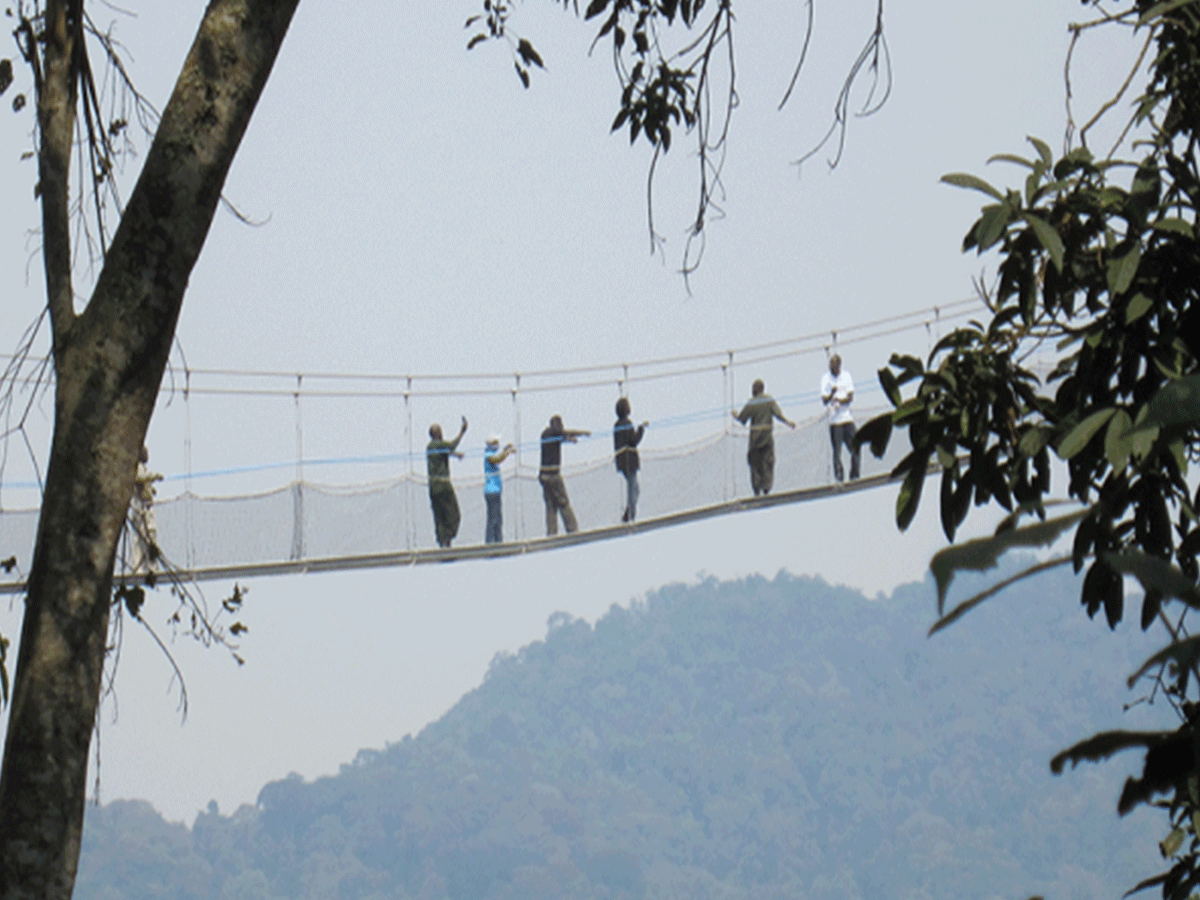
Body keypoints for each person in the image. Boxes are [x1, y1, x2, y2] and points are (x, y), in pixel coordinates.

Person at [732, 379, 795, 496]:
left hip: (755, 442)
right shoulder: (769, 401)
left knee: (755, 466)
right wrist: (788, 422)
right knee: (768, 463)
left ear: (756, 389)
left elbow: (742, 419)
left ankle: (757, 489)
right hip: (767, 439)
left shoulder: (752, 403)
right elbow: (778, 415)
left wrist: (735, 415)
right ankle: (766, 488)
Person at [539, 414, 590, 535]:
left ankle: (551, 533)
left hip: (544, 476)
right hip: (553, 475)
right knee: (563, 503)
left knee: (551, 506)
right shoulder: (552, 433)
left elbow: (560, 436)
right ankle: (573, 530)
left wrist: (569, 439)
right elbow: (561, 433)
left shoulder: (546, 434)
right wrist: (581, 433)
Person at [426, 417, 468, 547]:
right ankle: (448, 536)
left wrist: (455, 454)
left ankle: (443, 541)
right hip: (443, 486)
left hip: (433, 488)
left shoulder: (429, 447)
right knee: (454, 514)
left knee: (439, 517)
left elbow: (444, 451)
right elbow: (450, 445)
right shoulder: (439, 444)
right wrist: (462, 432)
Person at [821, 353, 860, 482]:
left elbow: (850, 397)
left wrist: (840, 400)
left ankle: (854, 474)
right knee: (837, 452)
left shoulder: (846, 376)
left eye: (835, 366)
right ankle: (839, 476)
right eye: (831, 366)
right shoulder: (826, 379)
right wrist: (832, 394)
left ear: (839, 366)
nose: (832, 369)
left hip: (847, 418)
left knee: (856, 447)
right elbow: (824, 400)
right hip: (834, 422)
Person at [613, 397, 648, 523]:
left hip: (622, 462)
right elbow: (633, 441)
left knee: (635, 489)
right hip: (630, 462)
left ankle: (628, 514)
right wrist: (641, 430)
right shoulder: (627, 424)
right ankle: (631, 517)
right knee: (633, 489)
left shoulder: (616, 425)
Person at [130, 445, 162, 575]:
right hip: (142, 508)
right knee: (146, 535)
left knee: (144, 536)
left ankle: (146, 566)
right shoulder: (137, 467)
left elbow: (142, 482)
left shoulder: (142, 468)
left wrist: (151, 488)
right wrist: (154, 476)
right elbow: (140, 478)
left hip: (144, 506)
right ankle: (144, 567)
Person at [483, 434, 515, 544]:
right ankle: (490, 542)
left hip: (496, 491)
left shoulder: (492, 453)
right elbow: (498, 459)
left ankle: (498, 541)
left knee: (498, 519)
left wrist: (506, 449)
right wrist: (507, 452)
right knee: (492, 518)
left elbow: (500, 455)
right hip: (491, 491)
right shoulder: (488, 455)